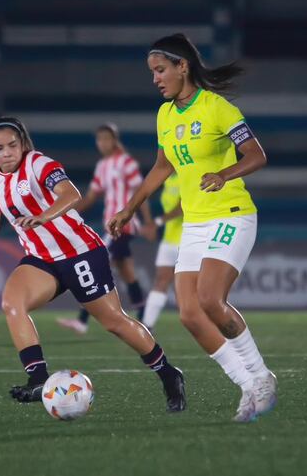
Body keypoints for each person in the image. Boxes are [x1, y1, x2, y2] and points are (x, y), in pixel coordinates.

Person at [108, 33, 277, 422]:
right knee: (188, 314)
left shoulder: (218, 108)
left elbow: (256, 154)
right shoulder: (165, 114)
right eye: (152, 72)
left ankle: (262, 376)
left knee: (209, 300)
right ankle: (248, 387)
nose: (155, 79)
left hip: (231, 212)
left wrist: (223, 173)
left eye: (161, 70)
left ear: (183, 66)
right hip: (196, 223)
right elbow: (163, 167)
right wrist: (130, 208)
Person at [0, 116, 185, 412]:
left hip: (80, 252)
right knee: (12, 303)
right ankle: (38, 379)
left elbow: (71, 194)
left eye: (13, 145)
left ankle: (168, 373)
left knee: (114, 322)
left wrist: (45, 215)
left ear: (23, 143)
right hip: (41, 259)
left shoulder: (39, 164)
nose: (7, 152)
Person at [56, 123, 154, 334]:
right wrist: (65, 213)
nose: (102, 143)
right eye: (99, 139)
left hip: (123, 225)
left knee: (96, 263)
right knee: (127, 273)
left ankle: (82, 321)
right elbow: (91, 196)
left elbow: (141, 191)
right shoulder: (103, 166)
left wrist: (148, 222)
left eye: (106, 139)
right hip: (112, 225)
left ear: (115, 140)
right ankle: (145, 320)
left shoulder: (126, 163)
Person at [140, 172, 183, 330]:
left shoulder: (185, 175)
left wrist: (156, 222)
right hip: (169, 240)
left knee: (187, 287)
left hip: (187, 239)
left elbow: (183, 207)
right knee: (160, 280)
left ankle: (207, 324)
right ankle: (147, 326)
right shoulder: (169, 180)